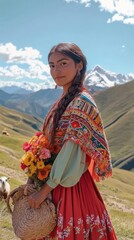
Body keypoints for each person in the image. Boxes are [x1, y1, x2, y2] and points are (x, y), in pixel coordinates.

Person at [26, 42, 117, 239]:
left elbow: (70, 154)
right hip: (53, 184)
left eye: (63, 63)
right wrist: (33, 178)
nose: (56, 70)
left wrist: (43, 192)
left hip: (71, 189)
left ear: (79, 66)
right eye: (51, 65)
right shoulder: (64, 99)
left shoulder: (81, 103)